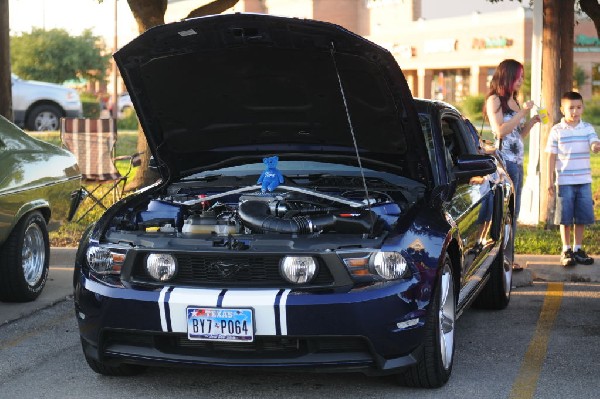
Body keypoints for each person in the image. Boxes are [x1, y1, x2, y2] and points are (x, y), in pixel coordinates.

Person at [484, 59, 540, 270]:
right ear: (508, 76)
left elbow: (517, 135)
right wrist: (523, 113)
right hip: (505, 162)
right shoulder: (494, 100)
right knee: (504, 212)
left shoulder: (514, 101)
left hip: (517, 162)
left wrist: (531, 123)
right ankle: (500, 259)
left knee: (513, 212)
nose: (521, 81)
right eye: (519, 77)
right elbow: (500, 131)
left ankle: (509, 258)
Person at [545, 91, 600, 266]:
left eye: (578, 107)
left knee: (582, 217)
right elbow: (551, 157)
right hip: (564, 181)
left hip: (584, 181)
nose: (575, 112)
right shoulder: (557, 130)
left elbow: (593, 142)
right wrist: (549, 180)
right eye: (571, 108)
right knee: (565, 218)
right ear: (562, 110)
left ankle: (577, 248)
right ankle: (566, 249)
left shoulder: (588, 128)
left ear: (582, 108)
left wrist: (595, 146)